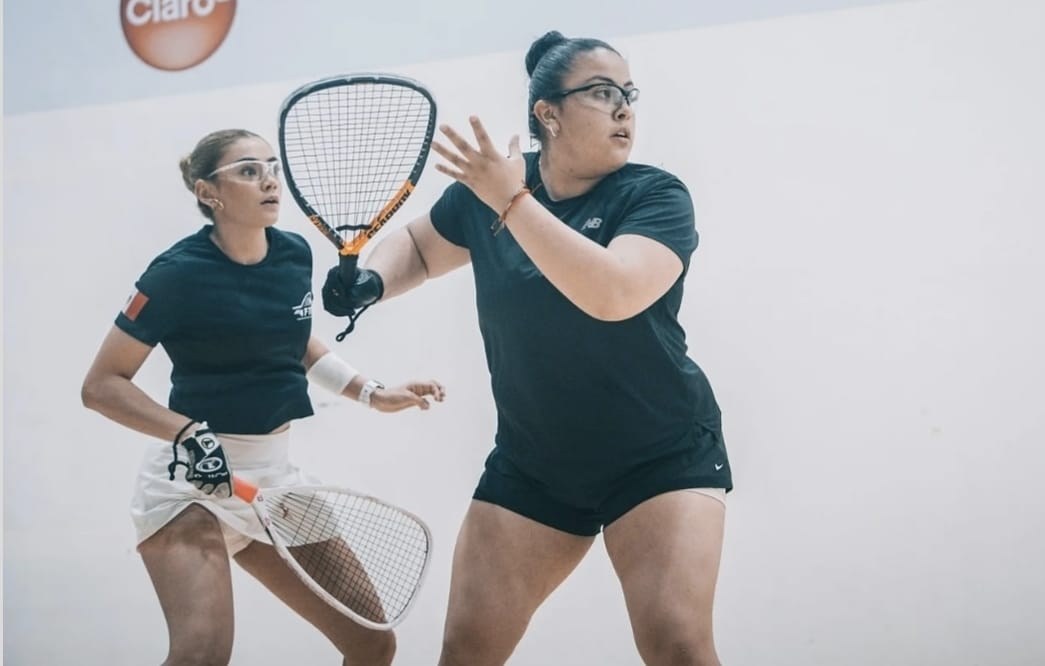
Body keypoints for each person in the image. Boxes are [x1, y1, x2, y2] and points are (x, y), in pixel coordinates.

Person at [322, 30, 733, 666]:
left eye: (629, 94)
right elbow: (425, 246)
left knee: (677, 645)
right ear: (548, 113)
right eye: (602, 93)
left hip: (660, 453)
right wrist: (373, 282)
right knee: (466, 652)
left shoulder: (655, 196)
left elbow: (614, 293)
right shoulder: (485, 198)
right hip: (536, 462)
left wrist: (509, 199)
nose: (625, 108)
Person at [81, 128, 445, 666]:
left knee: (371, 643)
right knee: (202, 654)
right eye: (249, 171)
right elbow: (101, 386)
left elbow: (295, 342)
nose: (270, 179)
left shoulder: (292, 255)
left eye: (271, 167)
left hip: (270, 483)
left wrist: (371, 392)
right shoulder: (175, 276)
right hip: (191, 485)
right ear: (210, 193)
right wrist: (186, 432)